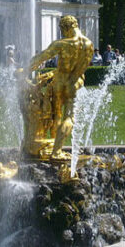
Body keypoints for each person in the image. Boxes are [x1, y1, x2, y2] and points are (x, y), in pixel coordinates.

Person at [27, 15, 94, 160]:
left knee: (57, 114)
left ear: (66, 27)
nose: (62, 33)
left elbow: (41, 58)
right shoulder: (89, 44)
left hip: (59, 82)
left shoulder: (61, 44)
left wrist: (26, 69)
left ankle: (54, 151)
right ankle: (57, 150)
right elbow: (81, 69)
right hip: (75, 83)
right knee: (69, 117)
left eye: (62, 30)